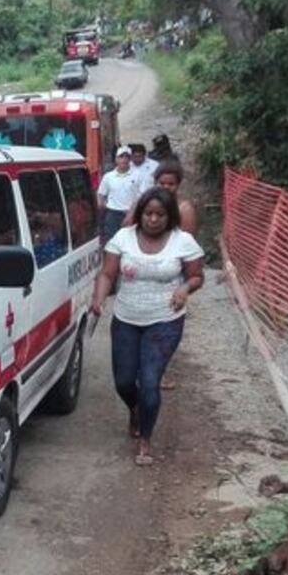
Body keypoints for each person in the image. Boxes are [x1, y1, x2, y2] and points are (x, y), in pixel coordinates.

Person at [91, 187, 205, 465]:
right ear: (140, 214)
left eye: (160, 215)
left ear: (169, 216)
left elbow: (197, 276)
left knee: (150, 380)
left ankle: (145, 440)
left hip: (165, 321)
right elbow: (107, 273)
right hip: (126, 319)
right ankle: (135, 409)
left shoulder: (183, 242)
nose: (153, 219)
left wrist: (184, 289)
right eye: (149, 213)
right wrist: (98, 299)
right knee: (124, 381)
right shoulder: (123, 238)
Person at [97, 146, 138, 244]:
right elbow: (101, 194)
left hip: (131, 213)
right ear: (116, 159)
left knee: (130, 242)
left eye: (127, 157)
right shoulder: (108, 177)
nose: (124, 159)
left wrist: (131, 214)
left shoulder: (138, 175)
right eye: (121, 156)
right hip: (113, 215)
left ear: (130, 159)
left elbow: (141, 197)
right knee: (112, 242)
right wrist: (102, 207)